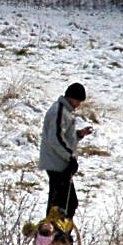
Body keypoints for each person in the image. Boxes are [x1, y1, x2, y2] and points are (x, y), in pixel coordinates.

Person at [38, 82, 93, 221]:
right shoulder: (60, 111)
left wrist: (79, 134)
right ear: (70, 97)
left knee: (61, 204)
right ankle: (57, 236)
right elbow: (55, 139)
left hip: (60, 163)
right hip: (57, 164)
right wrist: (70, 157)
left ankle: (56, 235)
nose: (79, 104)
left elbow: (63, 137)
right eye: (78, 100)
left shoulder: (65, 111)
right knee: (65, 204)